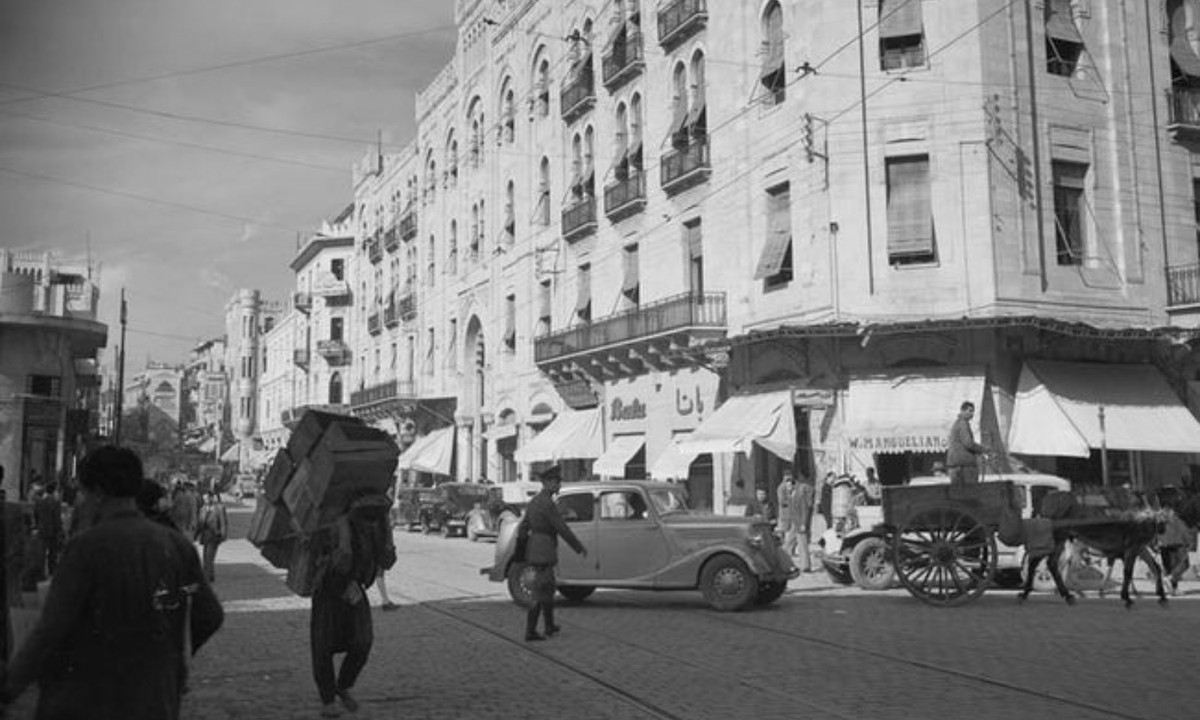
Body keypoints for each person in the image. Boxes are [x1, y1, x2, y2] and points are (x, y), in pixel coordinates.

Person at [0, 445, 223, 719]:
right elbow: (210, 616)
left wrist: (11, 685)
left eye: (83, 491)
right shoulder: (176, 545)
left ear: (98, 493)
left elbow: (50, 629)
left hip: (87, 698)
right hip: (155, 699)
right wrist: (173, 659)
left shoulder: (86, 548)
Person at [310, 493, 395, 718]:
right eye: (366, 519)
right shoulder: (335, 527)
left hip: (356, 591)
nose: (370, 523)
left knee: (363, 641)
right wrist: (340, 573)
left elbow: (387, 561)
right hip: (328, 592)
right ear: (354, 515)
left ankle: (344, 685)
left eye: (375, 518)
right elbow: (319, 556)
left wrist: (387, 539)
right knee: (323, 647)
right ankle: (328, 700)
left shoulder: (377, 528)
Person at [519, 465, 586, 642]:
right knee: (541, 591)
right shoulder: (547, 503)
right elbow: (561, 527)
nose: (559, 486)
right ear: (548, 483)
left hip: (535, 547)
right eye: (556, 482)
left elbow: (523, 527)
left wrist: (521, 550)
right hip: (544, 549)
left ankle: (549, 625)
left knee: (548, 588)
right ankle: (531, 631)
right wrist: (578, 547)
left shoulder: (535, 501)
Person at [947, 401, 987, 485]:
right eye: (970, 411)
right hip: (963, 467)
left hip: (957, 466)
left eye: (973, 411)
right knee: (970, 492)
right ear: (962, 411)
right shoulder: (963, 424)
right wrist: (983, 449)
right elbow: (968, 443)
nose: (972, 414)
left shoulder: (958, 424)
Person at [195, 490, 229, 583]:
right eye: (204, 499)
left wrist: (223, 535)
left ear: (211, 497)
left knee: (209, 557)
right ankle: (210, 576)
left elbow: (223, 523)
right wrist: (195, 535)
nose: (205, 500)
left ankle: (205, 578)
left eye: (207, 498)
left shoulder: (219, 508)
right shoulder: (202, 509)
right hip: (205, 536)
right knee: (206, 557)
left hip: (214, 536)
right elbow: (199, 524)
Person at [33, 481, 63, 579]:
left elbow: (36, 514)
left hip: (42, 528)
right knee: (52, 552)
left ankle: (40, 571)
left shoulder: (40, 502)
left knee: (42, 551)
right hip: (52, 529)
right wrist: (59, 528)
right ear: (54, 490)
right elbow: (57, 517)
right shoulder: (55, 502)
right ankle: (52, 570)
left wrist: (38, 525)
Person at [791, 477, 815, 572]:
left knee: (802, 545)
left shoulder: (800, 496)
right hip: (795, 523)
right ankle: (785, 562)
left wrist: (803, 524)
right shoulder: (794, 495)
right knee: (788, 543)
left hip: (800, 524)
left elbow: (804, 511)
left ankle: (806, 566)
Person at [776, 472, 796, 548]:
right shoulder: (781, 488)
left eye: (790, 478)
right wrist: (791, 498)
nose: (788, 479)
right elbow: (781, 501)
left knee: (790, 533)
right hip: (784, 514)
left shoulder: (792, 487)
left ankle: (789, 549)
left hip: (791, 514)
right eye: (787, 477)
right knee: (784, 533)